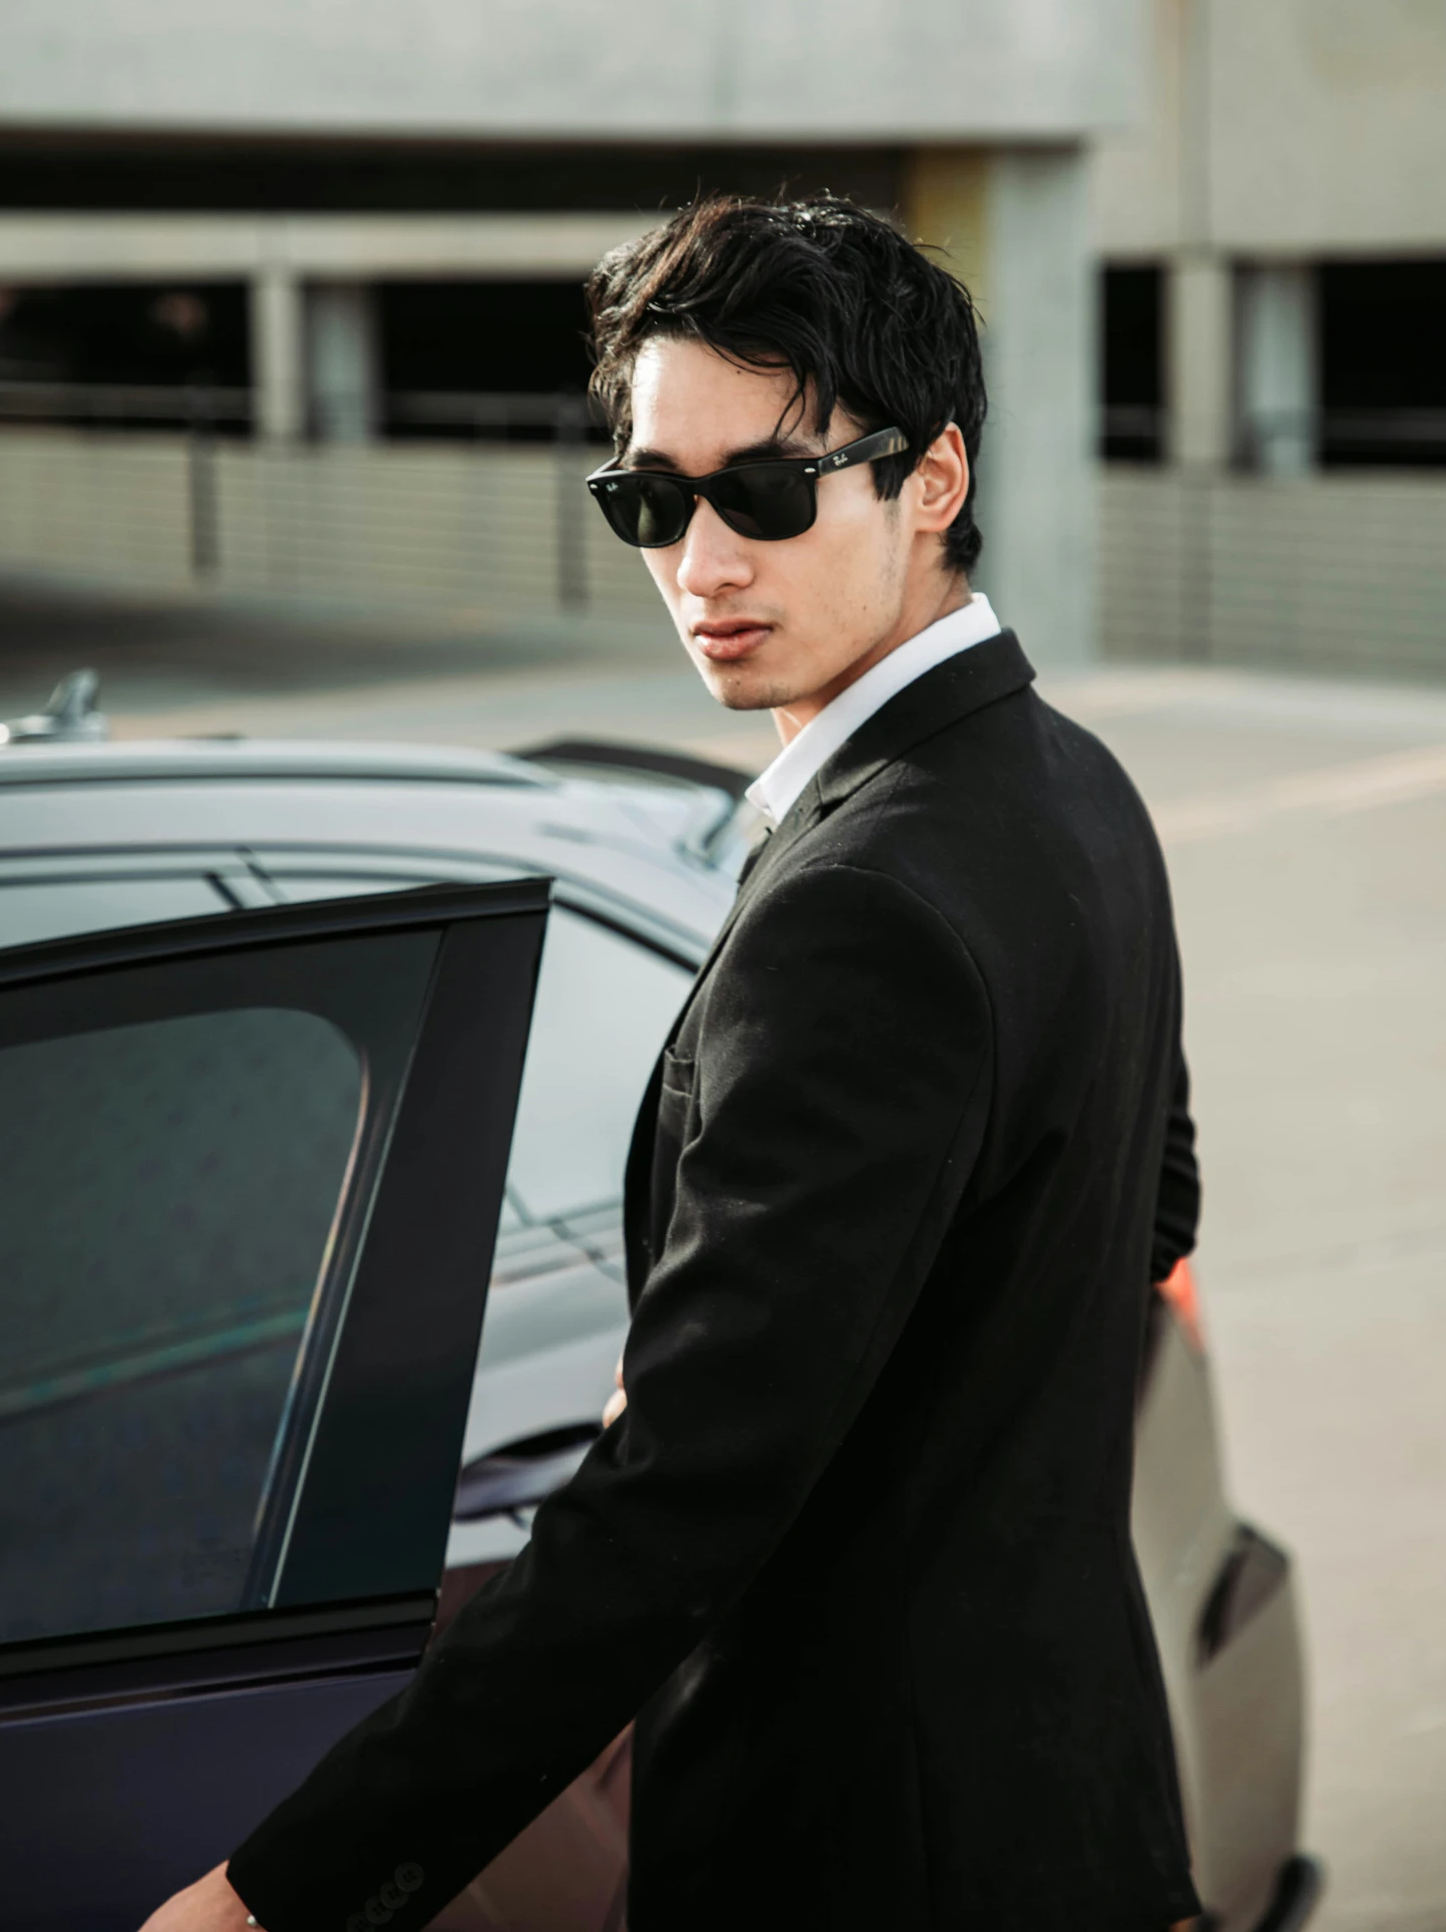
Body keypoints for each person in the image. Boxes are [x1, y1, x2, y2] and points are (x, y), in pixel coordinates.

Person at [143, 195, 1202, 1932]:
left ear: (929, 479)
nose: (699, 564)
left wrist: (277, 1894)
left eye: (766, 494)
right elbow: (1148, 1195)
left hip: (871, 1848)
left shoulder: (862, 901)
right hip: (1069, 1794)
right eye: (650, 497)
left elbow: (673, 1513)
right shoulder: (1071, 782)